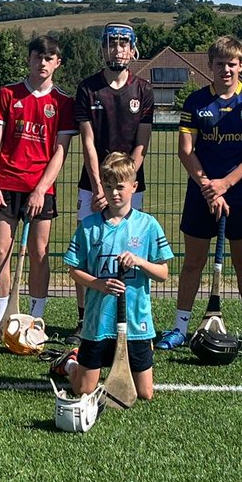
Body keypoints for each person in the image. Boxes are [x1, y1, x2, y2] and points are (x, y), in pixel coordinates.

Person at [158, 35, 242, 353]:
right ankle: (179, 327)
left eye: (232, 64)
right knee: (193, 261)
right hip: (201, 193)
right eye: (220, 64)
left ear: (241, 65)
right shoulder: (195, 102)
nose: (226, 69)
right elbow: (185, 151)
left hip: (239, 193)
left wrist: (225, 184)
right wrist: (209, 186)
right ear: (209, 66)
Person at [56, 152, 173, 401]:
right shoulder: (89, 226)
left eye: (120, 187)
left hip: (136, 321)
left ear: (134, 187)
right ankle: (70, 364)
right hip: (98, 322)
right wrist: (98, 284)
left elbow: (163, 273)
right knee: (83, 390)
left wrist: (140, 262)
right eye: (108, 187)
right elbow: (74, 270)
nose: (114, 193)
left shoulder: (148, 225)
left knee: (145, 393)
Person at [0, 35, 76, 339]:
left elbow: (60, 150)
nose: (43, 63)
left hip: (41, 188)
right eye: (38, 56)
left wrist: (41, 189)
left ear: (58, 63)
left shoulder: (63, 102)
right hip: (7, 183)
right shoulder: (8, 94)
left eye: (49, 58)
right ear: (29, 59)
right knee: (1, 252)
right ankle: (1, 317)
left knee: (39, 252)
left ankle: (36, 318)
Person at [69, 22, 154, 343]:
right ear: (103, 48)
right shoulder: (87, 88)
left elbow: (141, 144)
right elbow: (87, 142)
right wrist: (101, 186)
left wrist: (124, 184)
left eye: (123, 44)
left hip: (132, 186)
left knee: (130, 251)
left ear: (133, 49)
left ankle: (130, 321)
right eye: (111, 43)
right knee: (91, 253)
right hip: (93, 185)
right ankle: (83, 320)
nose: (117, 49)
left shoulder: (143, 89)